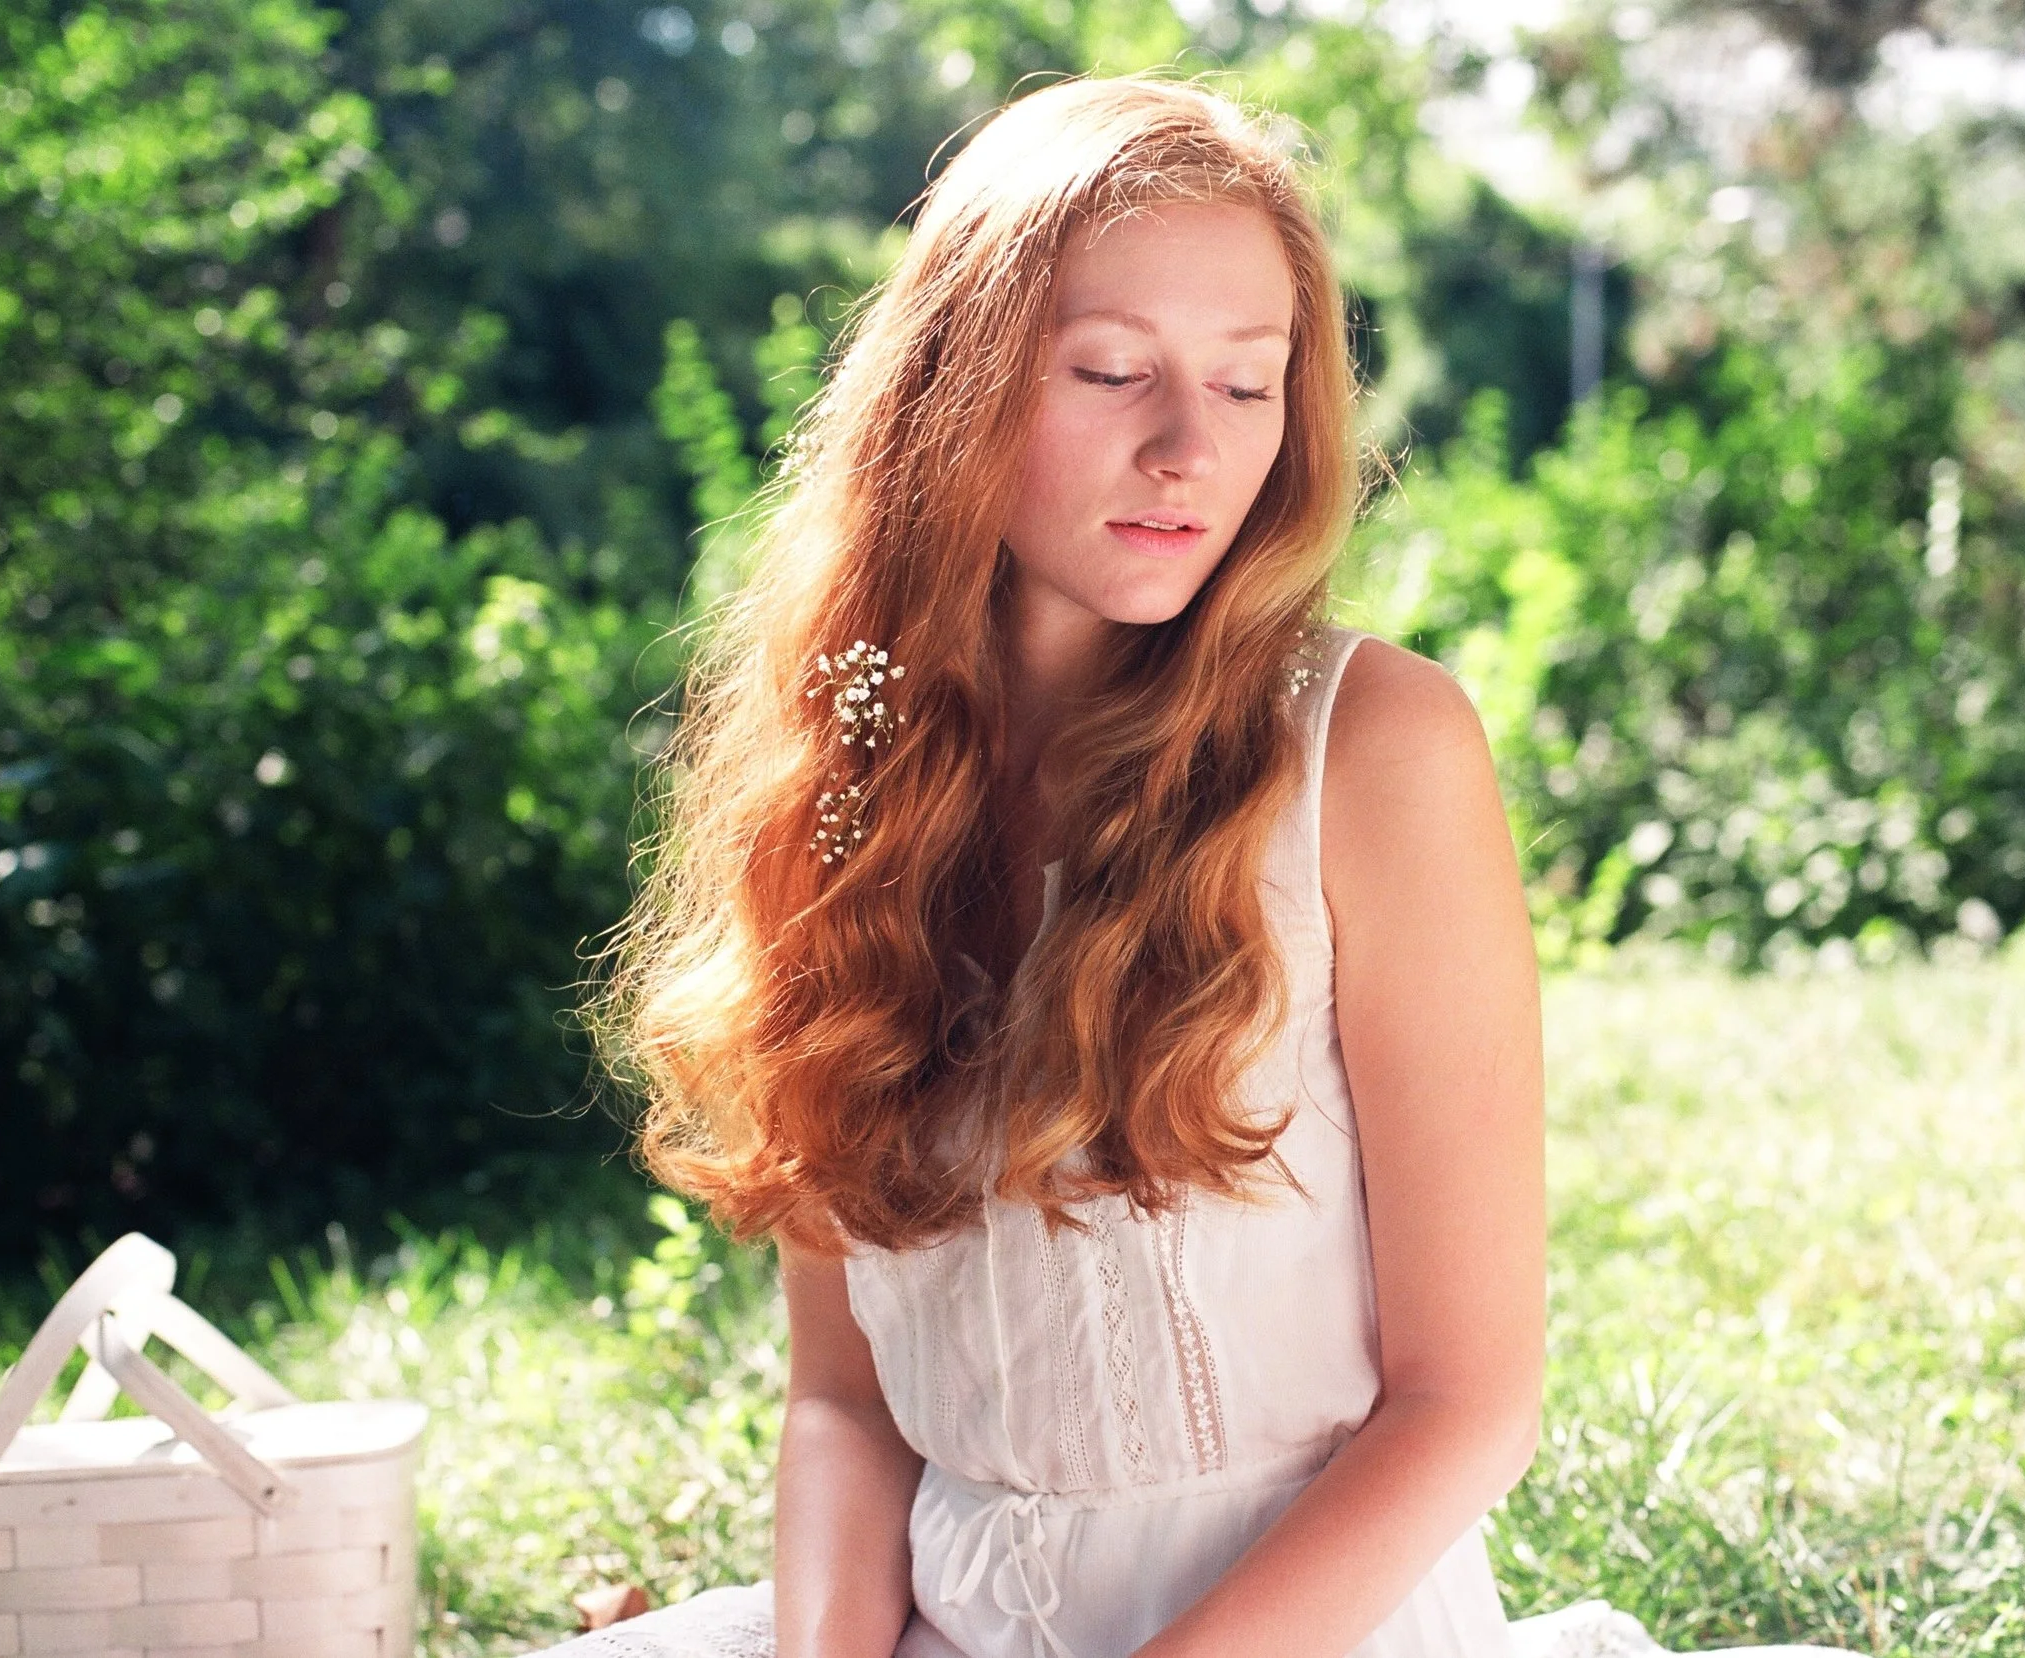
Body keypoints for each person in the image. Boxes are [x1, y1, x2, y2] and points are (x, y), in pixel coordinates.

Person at [553, 74, 1851, 1658]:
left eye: (1249, 387)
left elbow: (1469, 1401)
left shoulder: (1374, 748)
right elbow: (845, 1403)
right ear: (951, 392)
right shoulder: (847, 768)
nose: (1189, 448)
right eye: (1112, 372)